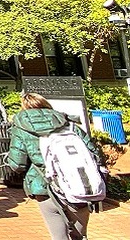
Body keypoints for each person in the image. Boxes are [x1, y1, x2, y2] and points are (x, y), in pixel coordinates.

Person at [7, 92, 102, 240]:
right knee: (80, 236)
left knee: (58, 236)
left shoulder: (21, 128)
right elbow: (94, 154)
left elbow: (17, 164)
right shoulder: (68, 124)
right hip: (79, 184)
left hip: (45, 187)